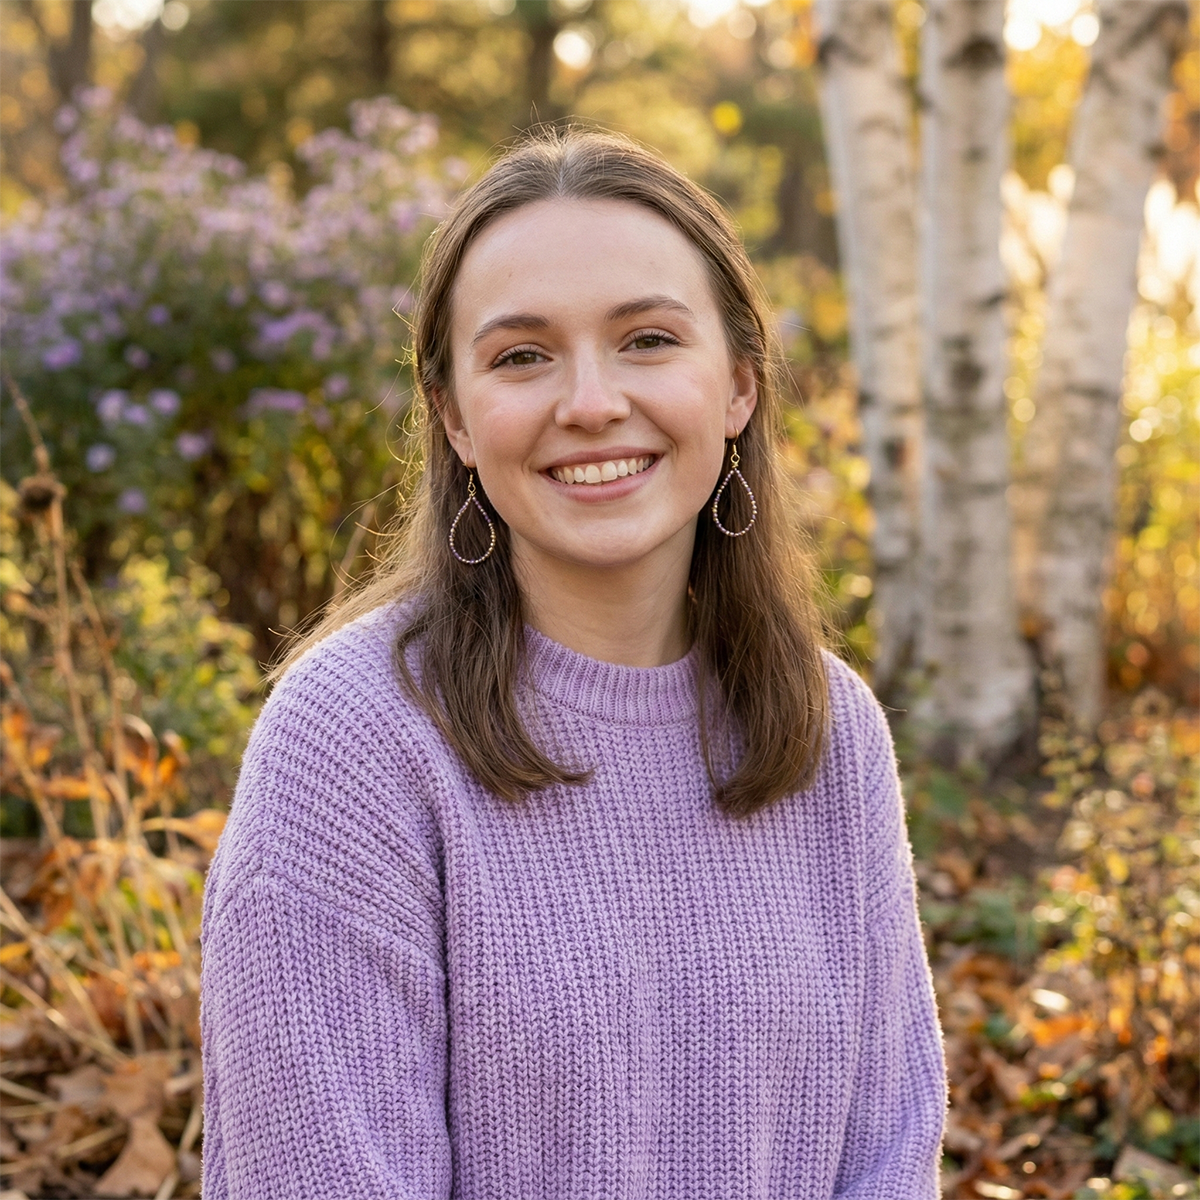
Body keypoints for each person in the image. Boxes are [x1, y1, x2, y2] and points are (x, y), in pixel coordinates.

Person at [198, 127, 948, 1199]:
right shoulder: (353, 742)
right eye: (522, 355)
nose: (590, 401)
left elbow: (889, 1156)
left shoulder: (831, 731)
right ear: (454, 417)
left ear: (738, 386)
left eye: (647, 340)